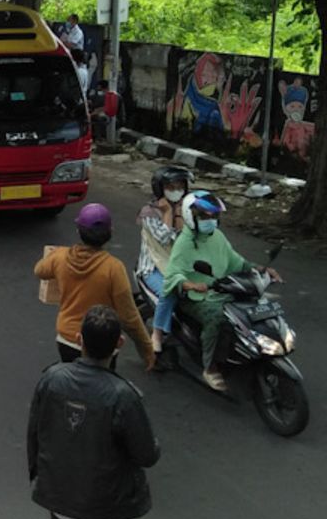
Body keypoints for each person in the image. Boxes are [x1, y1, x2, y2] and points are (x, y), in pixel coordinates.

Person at [26, 305, 160, 519]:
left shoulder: (52, 379)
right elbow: (147, 455)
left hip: (61, 492)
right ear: (119, 345)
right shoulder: (123, 396)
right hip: (107, 506)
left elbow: (35, 432)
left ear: (78, 339)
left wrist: (41, 477)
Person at [163, 190, 281, 392]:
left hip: (220, 289)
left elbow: (237, 262)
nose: (211, 221)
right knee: (217, 317)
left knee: (249, 307)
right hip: (195, 297)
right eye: (205, 216)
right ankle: (210, 367)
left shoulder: (217, 236)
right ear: (191, 217)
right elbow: (173, 274)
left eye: (214, 216)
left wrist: (262, 269)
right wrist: (191, 284)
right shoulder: (184, 243)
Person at [34, 203, 154, 370]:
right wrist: (146, 349)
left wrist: (56, 253)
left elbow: (40, 270)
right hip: (103, 344)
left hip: (68, 339)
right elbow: (129, 316)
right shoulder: (113, 268)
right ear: (110, 232)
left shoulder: (60, 258)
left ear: (78, 231)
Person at [136, 166, 193, 358]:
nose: (176, 189)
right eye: (171, 186)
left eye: (179, 185)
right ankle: (158, 334)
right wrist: (168, 212)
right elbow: (163, 238)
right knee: (168, 292)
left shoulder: (187, 210)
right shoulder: (149, 212)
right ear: (161, 188)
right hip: (153, 268)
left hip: (180, 265)